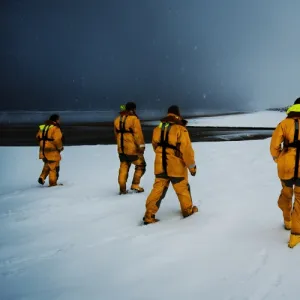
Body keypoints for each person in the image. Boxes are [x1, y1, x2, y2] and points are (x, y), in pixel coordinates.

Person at [143, 105, 198, 224]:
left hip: (160, 165)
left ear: (168, 114)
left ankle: (149, 215)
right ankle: (188, 211)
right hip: (176, 166)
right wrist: (192, 168)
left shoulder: (158, 128)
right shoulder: (180, 129)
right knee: (182, 189)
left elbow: (155, 146)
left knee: (158, 189)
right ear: (178, 114)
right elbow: (187, 151)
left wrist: (162, 155)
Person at [270, 98, 300, 248]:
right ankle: (295, 236)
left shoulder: (284, 123)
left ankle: (287, 221)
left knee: (286, 194)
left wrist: (279, 159)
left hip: (286, 166)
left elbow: (274, 146)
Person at [114, 102, 146, 194]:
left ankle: (122, 189)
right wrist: (141, 147)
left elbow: (116, 134)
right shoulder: (134, 119)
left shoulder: (117, 119)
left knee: (124, 166)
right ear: (133, 109)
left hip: (121, 149)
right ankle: (135, 185)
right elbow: (138, 134)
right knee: (141, 165)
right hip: (132, 149)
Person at [36, 114, 64, 187]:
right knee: (53, 168)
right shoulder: (55, 128)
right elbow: (57, 140)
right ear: (55, 120)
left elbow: (37, 137)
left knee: (48, 164)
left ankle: (42, 177)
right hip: (52, 151)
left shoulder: (43, 127)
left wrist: (44, 143)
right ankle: (52, 184)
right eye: (58, 120)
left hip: (43, 151)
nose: (59, 121)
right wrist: (60, 147)